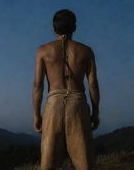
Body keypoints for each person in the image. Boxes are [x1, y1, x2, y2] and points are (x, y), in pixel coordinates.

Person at [32, 9, 100, 170]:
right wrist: (95, 112)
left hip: (54, 105)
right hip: (78, 104)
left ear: (54, 29)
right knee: (85, 164)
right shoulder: (86, 51)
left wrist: (37, 115)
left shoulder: (43, 50)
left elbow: (38, 86)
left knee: (49, 163)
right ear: (74, 27)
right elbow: (93, 85)